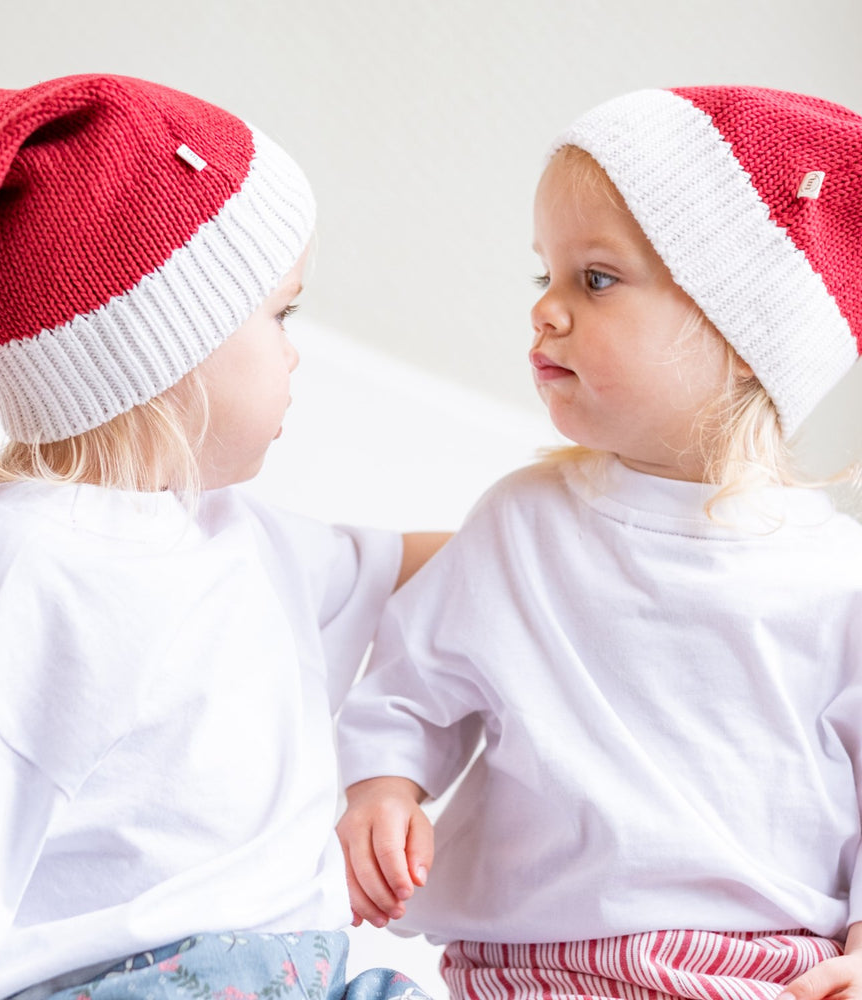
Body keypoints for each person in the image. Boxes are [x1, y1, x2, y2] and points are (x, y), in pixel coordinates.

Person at [0, 74, 445, 1000]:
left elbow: (428, 570)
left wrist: (583, 518)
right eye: (281, 314)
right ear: (166, 354)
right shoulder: (33, 561)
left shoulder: (232, 534)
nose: (295, 352)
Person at [335, 85, 862, 1000]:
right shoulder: (523, 523)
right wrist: (382, 789)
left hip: (766, 973)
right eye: (545, 275)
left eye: (596, 279)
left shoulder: (836, 576)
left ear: (745, 335)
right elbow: (410, 687)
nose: (546, 309)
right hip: (532, 973)